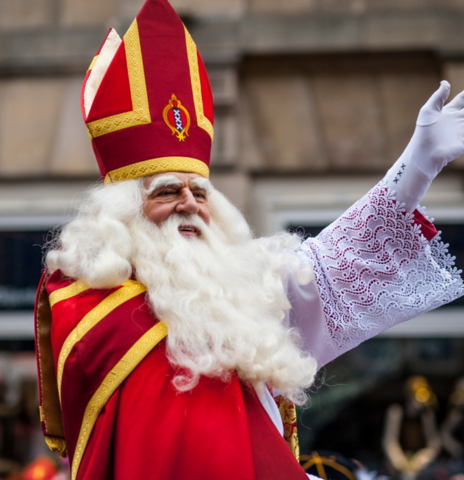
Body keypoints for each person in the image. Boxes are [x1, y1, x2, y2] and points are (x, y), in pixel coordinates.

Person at [34, 0, 464, 479]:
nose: (190, 204)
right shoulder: (102, 310)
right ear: (123, 214)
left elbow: (330, 266)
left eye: (200, 192)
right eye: (168, 192)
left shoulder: (231, 287)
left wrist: (416, 166)